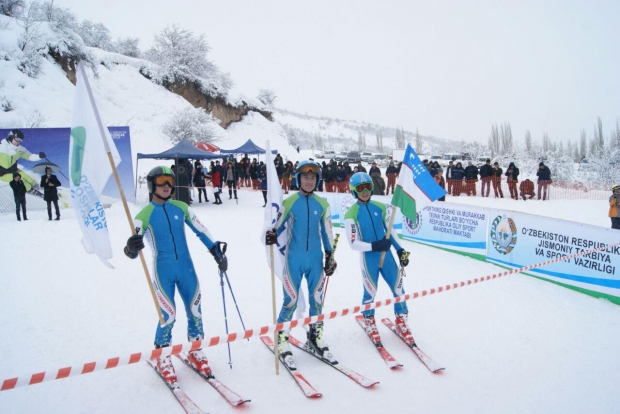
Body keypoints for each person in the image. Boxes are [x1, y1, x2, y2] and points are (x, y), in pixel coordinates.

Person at [123, 166, 228, 386]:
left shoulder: (181, 207)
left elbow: (201, 230)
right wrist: (131, 248)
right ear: (152, 184)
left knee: (195, 310)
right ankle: (162, 354)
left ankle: (195, 349)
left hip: (187, 269)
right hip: (164, 271)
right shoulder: (144, 214)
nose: (167, 187)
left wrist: (216, 251)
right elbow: (133, 251)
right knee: (168, 315)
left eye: (170, 182)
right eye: (161, 181)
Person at [264, 160, 337, 363]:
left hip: (315, 259)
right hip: (294, 259)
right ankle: (282, 337)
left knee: (317, 300)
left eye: (313, 178)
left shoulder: (323, 205)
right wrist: (271, 235)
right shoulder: (290, 202)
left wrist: (330, 255)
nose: (309, 181)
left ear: (317, 180)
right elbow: (276, 226)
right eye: (305, 177)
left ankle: (315, 336)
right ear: (298, 179)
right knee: (291, 300)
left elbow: (327, 233)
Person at [344, 172, 412, 341]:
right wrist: (374, 246)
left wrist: (400, 250)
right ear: (354, 191)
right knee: (370, 292)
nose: (365, 191)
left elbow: (391, 231)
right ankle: (369, 320)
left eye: (368, 186)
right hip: (369, 259)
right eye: (360, 188)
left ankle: (401, 319)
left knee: (398, 288)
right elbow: (353, 243)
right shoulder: (351, 214)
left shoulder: (380, 207)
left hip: (387, 257)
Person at [0, 129, 45, 195]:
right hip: (3, 174)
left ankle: (36, 186)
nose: (18, 142)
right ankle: (30, 190)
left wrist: (39, 156)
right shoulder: (1, 147)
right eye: (17, 139)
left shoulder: (19, 149)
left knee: (27, 176)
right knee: (21, 177)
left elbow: (30, 156)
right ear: (11, 137)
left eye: (20, 140)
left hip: (13, 170)